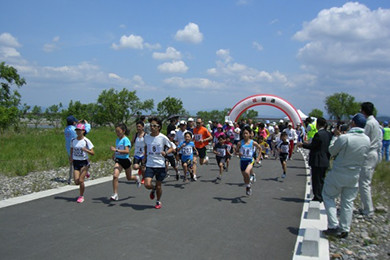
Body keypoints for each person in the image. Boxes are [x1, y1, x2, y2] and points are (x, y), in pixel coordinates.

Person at [322, 113, 370, 238]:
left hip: (340, 171)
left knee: (328, 196)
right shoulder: (366, 139)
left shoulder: (345, 138)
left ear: (353, 123)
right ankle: (345, 228)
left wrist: (335, 138)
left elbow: (332, 151)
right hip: (355, 174)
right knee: (348, 202)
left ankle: (333, 225)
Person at [298, 117, 332, 202]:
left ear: (317, 124)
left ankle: (317, 196)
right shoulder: (328, 134)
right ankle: (321, 195)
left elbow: (313, 146)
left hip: (317, 160)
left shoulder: (318, 134)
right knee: (322, 179)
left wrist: (303, 145)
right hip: (325, 159)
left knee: (316, 179)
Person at [143, 117, 173, 209]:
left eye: (154, 126)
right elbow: (145, 147)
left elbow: (172, 147)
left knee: (159, 185)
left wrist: (166, 152)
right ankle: (153, 188)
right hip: (150, 164)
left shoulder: (163, 137)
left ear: (159, 127)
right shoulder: (147, 137)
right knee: (147, 184)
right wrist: (145, 157)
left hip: (160, 164)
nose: (152, 127)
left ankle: (158, 201)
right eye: (151, 125)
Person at [359, 102, 383, 216]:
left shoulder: (369, 123)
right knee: (365, 181)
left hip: (369, 153)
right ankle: (364, 206)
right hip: (374, 153)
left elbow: (363, 138)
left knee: (364, 183)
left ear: (363, 111)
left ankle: (368, 209)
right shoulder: (376, 123)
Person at [110, 123, 141, 201]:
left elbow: (127, 151)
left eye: (118, 131)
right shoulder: (117, 139)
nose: (117, 133)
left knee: (129, 177)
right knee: (115, 176)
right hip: (119, 160)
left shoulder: (126, 140)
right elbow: (117, 148)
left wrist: (116, 150)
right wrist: (114, 154)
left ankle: (136, 178)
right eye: (116, 131)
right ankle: (115, 194)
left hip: (125, 160)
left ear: (123, 131)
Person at [69, 123, 95, 203]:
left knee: (81, 180)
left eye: (79, 130)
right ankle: (86, 173)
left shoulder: (86, 141)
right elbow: (72, 149)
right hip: (76, 162)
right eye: (77, 130)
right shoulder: (73, 140)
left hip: (84, 162)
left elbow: (92, 153)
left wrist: (86, 150)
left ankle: (81, 196)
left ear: (83, 131)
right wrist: (71, 157)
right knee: (76, 182)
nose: (78, 132)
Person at [236, 126, 261, 196]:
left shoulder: (253, 142)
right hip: (242, 161)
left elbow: (260, 148)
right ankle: (248, 187)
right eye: (243, 133)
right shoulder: (240, 143)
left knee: (247, 172)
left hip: (250, 160)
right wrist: (238, 153)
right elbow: (236, 152)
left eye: (246, 133)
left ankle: (251, 177)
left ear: (250, 134)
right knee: (245, 178)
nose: (245, 135)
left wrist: (258, 158)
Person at [64, 115, 78, 184]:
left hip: (68, 148)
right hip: (75, 148)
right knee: (77, 164)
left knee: (71, 163)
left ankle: (70, 178)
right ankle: (75, 178)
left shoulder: (66, 129)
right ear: (73, 122)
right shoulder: (74, 129)